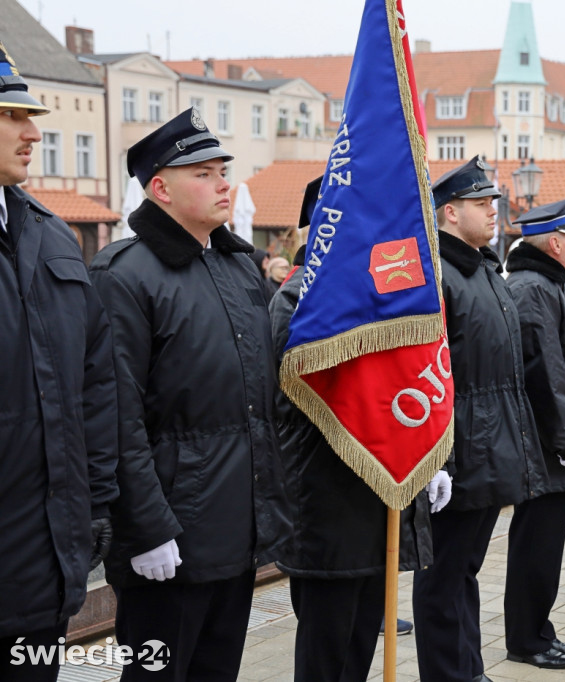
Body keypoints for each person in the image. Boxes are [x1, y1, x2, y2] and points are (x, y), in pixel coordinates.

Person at [89, 107, 291, 681]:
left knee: (217, 668)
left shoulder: (237, 267)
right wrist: (146, 529)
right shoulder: (123, 276)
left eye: (221, 169)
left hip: (237, 524)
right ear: (161, 188)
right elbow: (116, 416)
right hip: (171, 535)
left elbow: (258, 399)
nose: (224, 182)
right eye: (203, 173)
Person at [270, 175, 441, 681]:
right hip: (327, 502)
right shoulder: (297, 299)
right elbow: (288, 401)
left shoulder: (392, 294)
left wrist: (428, 454)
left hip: (381, 494)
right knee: (328, 646)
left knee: (363, 637)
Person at [0, 41, 119, 682]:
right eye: (11, 116)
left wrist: (96, 502)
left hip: (45, 558)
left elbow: (93, 383)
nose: (31, 132)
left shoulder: (49, 234)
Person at [412, 157, 543, 682]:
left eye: (493, 201)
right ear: (448, 213)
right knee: (443, 576)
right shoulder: (437, 276)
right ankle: (448, 674)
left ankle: (468, 668)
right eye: (480, 203)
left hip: (491, 444)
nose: (494, 210)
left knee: (464, 568)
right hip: (458, 451)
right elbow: (427, 374)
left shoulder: (483, 270)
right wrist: (434, 458)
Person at [504, 198, 565, 669]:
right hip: (545, 442)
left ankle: (539, 629)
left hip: (554, 439)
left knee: (545, 543)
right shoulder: (533, 289)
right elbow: (545, 373)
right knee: (535, 543)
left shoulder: (547, 284)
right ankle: (526, 638)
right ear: (556, 242)